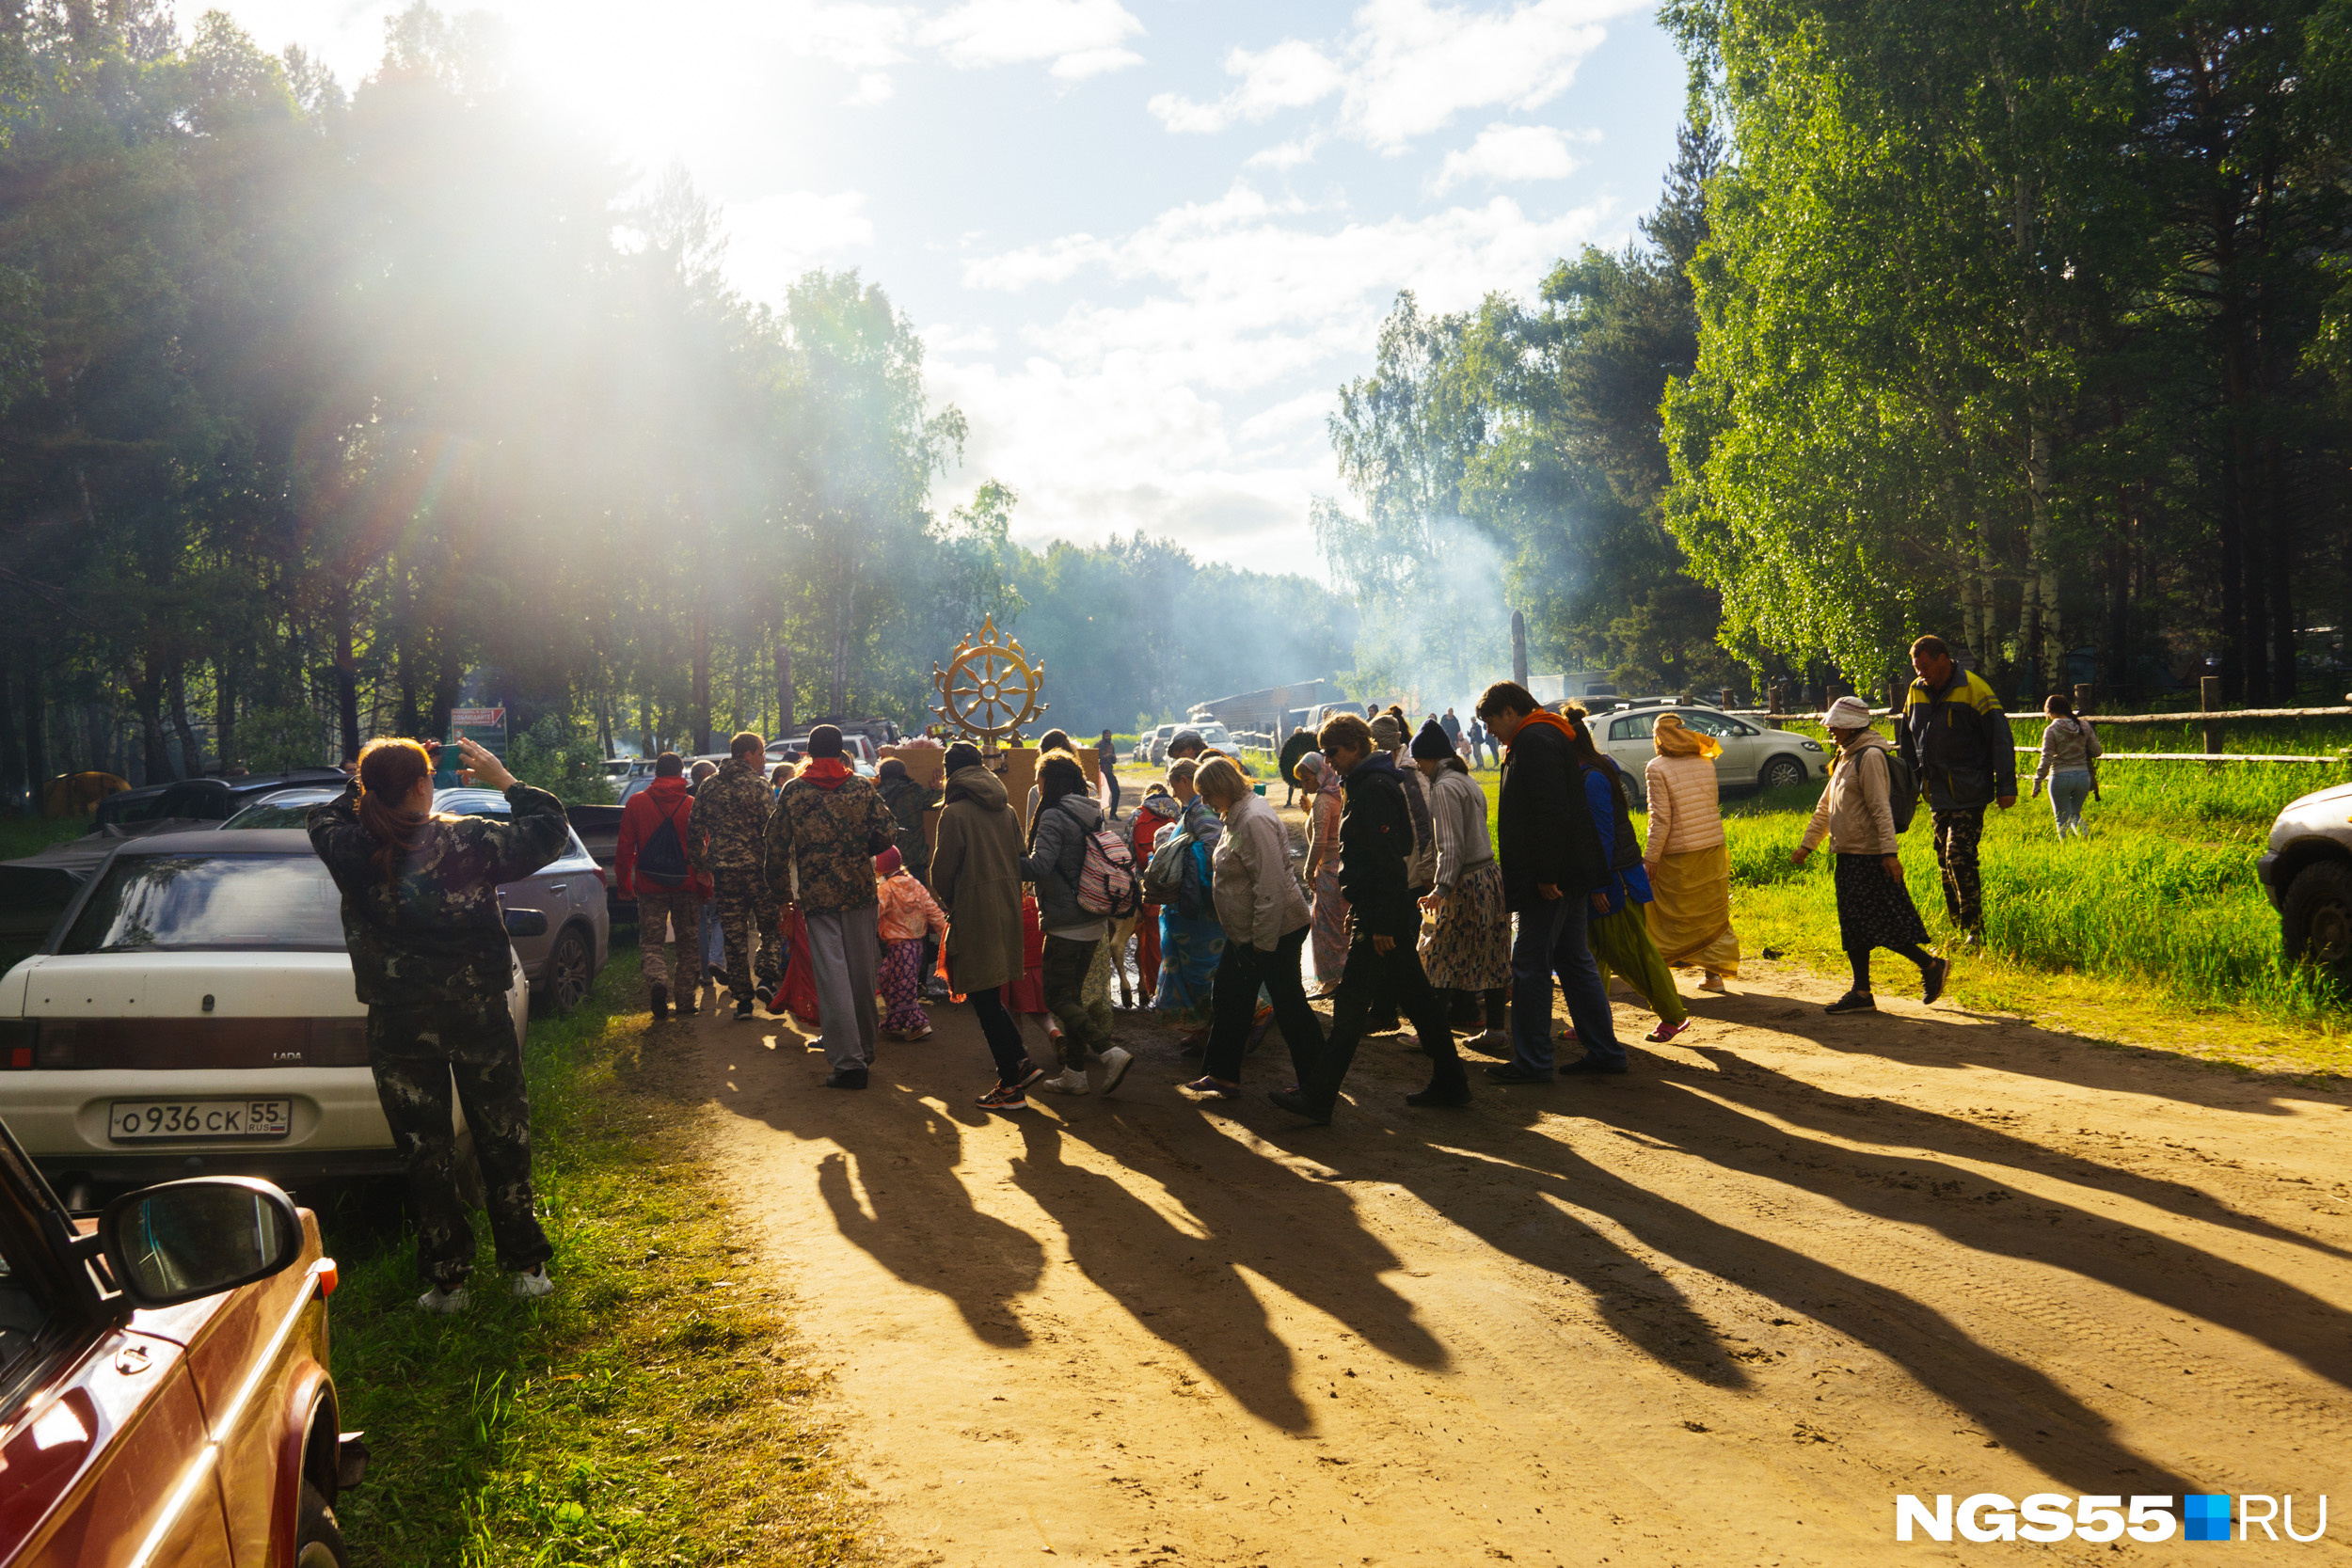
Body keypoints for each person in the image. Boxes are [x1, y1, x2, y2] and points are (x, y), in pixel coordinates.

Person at [307, 736, 566, 1313]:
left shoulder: (347, 845)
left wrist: (368, 778)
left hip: (399, 1020)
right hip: (475, 1010)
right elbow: (548, 828)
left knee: (425, 1149)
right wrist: (504, 777)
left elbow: (324, 814)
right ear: (424, 786)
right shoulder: (466, 838)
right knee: (503, 1135)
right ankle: (526, 1267)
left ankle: (450, 1282)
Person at [1268, 713, 1467, 1122]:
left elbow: (1390, 860)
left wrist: (1380, 924)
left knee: (1350, 1012)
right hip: (1375, 913)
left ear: (1356, 747)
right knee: (1420, 1003)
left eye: (1333, 751)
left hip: (1380, 920)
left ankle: (1319, 1096)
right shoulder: (1368, 783)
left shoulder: (1374, 787)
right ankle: (1452, 1081)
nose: (1328, 759)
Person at [1474, 680, 1623, 1081]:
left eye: (1490, 721)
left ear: (1509, 711)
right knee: (1573, 959)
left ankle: (1534, 1060)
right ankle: (1604, 1050)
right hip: (1569, 871)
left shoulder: (1534, 740)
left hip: (1553, 877)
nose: (1489, 731)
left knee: (1528, 964)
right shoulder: (1546, 734)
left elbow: (1549, 812)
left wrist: (1546, 874)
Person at [766, 724, 901, 1088]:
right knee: (861, 972)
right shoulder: (860, 786)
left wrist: (781, 896)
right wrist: (857, 852)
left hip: (818, 896)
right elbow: (888, 832)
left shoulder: (793, 791)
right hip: (859, 890)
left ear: (809, 752)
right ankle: (866, 1047)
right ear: (841, 750)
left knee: (832, 977)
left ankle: (849, 1063)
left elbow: (776, 849)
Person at [1795, 696, 1949, 1013]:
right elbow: (1825, 808)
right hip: (1847, 855)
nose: (1831, 730)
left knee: (1882, 925)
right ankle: (1862, 992)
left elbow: (1880, 808)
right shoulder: (1845, 758)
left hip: (1870, 855)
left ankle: (1931, 966)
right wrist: (1807, 845)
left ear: (1851, 726)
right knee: (1854, 927)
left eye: (1836, 725)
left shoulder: (1871, 757)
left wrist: (1889, 854)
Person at [1184, 755, 1324, 1099]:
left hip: (1272, 931)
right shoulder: (1238, 813)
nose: (1203, 802)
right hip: (1251, 932)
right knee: (1231, 996)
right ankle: (1222, 1075)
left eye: (1206, 794)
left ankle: (1319, 1082)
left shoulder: (1253, 819)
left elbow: (1270, 885)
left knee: (1289, 1005)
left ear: (1222, 788)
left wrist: (1262, 942)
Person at [1563, 707, 1691, 1045]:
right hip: (1603, 877)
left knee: (1634, 953)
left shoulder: (1591, 779)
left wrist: (1599, 883)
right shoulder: (1589, 772)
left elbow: (1602, 836)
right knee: (1591, 955)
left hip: (1613, 880)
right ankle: (1590, 1020)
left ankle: (1673, 1015)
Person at [931, 742, 1045, 1111]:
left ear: (950, 771)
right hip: (1006, 910)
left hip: (974, 913)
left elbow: (942, 874)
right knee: (990, 997)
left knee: (984, 1000)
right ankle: (1021, 1063)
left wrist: (954, 903)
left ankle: (1011, 1084)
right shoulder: (1008, 808)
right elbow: (1021, 857)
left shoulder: (954, 814)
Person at [1020, 751, 1134, 1095]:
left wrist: (1003, 860)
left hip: (1065, 922)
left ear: (1049, 781)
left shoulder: (1053, 816)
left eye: (1039, 778)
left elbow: (1039, 867)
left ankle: (1109, 1051)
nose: (1037, 785)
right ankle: (1075, 1075)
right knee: (1073, 999)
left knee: (1056, 997)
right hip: (1093, 917)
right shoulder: (1091, 812)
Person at [1899, 635, 2016, 942]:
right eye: (1915, 667)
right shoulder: (1915, 691)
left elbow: (2000, 739)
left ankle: (1975, 930)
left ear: (1943, 659)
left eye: (1924, 666)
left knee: (1958, 856)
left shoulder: (1975, 689)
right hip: (1936, 792)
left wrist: (2006, 785)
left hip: (1970, 790)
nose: (1920, 672)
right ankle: (1960, 928)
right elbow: (1907, 743)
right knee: (1943, 861)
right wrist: (1909, 782)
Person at [1411, 721, 1508, 1053]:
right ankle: (1496, 1029)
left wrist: (1440, 888)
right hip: (1489, 876)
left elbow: (1450, 846)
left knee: (1437, 954)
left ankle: (1431, 1034)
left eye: (1420, 764)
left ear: (1429, 759)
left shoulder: (1445, 788)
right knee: (1492, 954)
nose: (1420, 772)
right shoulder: (1467, 780)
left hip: (1465, 882)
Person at [1642, 713, 1740, 993]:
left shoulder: (1655, 767)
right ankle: (1713, 976)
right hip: (1712, 846)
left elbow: (1660, 818)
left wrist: (1651, 857)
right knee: (1710, 911)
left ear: (1659, 738)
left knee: (1669, 914)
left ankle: (1662, 979)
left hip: (1678, 854)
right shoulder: (1705, 761)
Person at [689, 733, 781, 1021]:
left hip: (725, 874)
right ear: (749, 754)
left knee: (734, 936)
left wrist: (701, 865)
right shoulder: (759, 785)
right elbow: (775, 832)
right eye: (763, 754)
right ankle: (766, 978)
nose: (765, 760)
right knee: (772, 929)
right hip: (759, 872)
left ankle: (743, 1002)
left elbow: (694, 829)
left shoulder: (709, 785)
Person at [615, 752, 705, 1022]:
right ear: (682, 774)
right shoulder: (692, 804)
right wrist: (706, 885)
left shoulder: (637, 802)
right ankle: (686, 1002)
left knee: (652, 942)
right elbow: (702, 848)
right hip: (686, 883)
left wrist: (624, 885)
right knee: (688, 944)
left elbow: (625, 847)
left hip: (649, 884)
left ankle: (658, 980)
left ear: (655, 773)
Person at [1152, 757, 1225, 1048]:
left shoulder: (1201, 807)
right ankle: (1203, 1030)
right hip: (1190, 905)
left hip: (1199, 911)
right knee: (1191, 968)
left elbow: (1214, 846)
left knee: (1203, 970)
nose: (1172, 793)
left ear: (1184, 781)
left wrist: (1178, 856)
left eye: (1173, 786)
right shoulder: (1193, 808)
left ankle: (1221, 1026)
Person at [876, 755, 945, 989]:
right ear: (903, 773)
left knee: (886, 923)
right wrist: (938, 787)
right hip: (912, 868)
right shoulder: (913, 792)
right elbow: (941, 800)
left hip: (882, 870)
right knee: (918, 923)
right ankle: (918, 978)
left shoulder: (874, 795)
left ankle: (891, 974)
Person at [875, 846, 947, 1040]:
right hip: (915, 946)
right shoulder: (915, 884)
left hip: (897, 945)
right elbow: (933, 911)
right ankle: (895, 1020)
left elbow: (875, 913)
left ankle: (918, 1024)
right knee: (896, 980)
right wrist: (947, 935)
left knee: (896, 983)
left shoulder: (886, 889)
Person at [1295, 751, 1350, 996]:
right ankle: (1342, 976)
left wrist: (1308, 870)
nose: (1305, 786)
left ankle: (1332, 980)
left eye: (1308, 779)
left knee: (1325, 928)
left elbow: (1320, 840)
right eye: (1302, 782)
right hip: (1337, 866)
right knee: (1339, 926)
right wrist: (1310, 811)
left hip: (1328, 870)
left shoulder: (1324, 800)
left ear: (1320, 774)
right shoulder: (1336, 793)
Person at [1122, 784, 1180, 1008]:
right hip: (1176, 886)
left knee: (1149, 941)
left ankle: (1153, 989)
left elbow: (1128, 854)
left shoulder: (1138, 815)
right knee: (1173, 939)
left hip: (1146, 887)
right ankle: (1174, 991)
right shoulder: (1180, 812)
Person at [2033, 693, 2102, 839]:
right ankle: (2086, 840)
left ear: (2050, 711)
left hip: (2060, 776)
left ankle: (2066, 848)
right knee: (2075, 815)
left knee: (2061, 818)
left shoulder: (2051, 730)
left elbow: (2046, 757)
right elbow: (2097, 751)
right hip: (2083, 777)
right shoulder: (2084, 726)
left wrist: (2037, 781)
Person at [688, 758, 725, 986]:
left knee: (700, 922)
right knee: (719, 917)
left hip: (690, 869)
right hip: (710, 867)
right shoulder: (710, 796)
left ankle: (706, 973)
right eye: (713, 773)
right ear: (704, 776)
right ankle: (717, 960)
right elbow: (703, 834)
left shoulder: (685, 797)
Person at [1278, 724, 1315, 807]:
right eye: (1297, 733)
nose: (1298, 734)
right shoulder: (1291, 745)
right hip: (1294, 766)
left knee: (1305, 784)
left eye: (1300, 733)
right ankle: (1289, 801)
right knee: (1292, 784)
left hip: (1305, 766)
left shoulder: (1307, 743)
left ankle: (1305, 800)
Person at [1097, 728, 1122, 817]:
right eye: (1107, 736)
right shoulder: (1098, 745)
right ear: (1103, 736)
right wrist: (1104, 756)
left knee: (1116, 792)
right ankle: (1101, 816)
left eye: (1110, 735)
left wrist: (1113, 758)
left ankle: (1113, 814)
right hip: (1100, 773)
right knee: (1101, 795)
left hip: (1109, 772)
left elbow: (1113, 760)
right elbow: (1093, 758)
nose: (1108, 737)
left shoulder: (1111, 746)